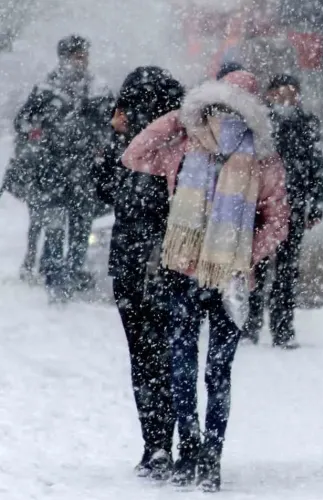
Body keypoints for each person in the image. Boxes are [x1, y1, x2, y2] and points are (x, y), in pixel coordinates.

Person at [122, 70, 289, 492]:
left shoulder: (205, 147)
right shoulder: (208, 148)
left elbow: (135, 153)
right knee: (211, 371)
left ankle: (198, 452)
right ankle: (205, 454)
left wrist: (240, 256)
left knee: (191, 367)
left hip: (205, 277)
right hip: (210, 277)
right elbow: (135, 154)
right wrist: (242, 255)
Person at [91, 66, 185, 479]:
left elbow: (101, 190)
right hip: (172, 262)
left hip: (133, 262)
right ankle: (180, 440)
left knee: (144, 358)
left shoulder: (132, 148)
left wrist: (113, 135)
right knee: (172, 354)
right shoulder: (182, 141)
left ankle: (156, 442)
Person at [14, 34, 114, 300]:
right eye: (76, 56)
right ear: (64, 58)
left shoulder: (98, 89)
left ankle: (72, 272)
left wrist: (98, 143)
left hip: (83, 172)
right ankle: (55, 275)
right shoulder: (46, 89)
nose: (81, 61)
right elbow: (22, 122)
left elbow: (110, 126)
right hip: (53, 171)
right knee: (55, 226)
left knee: (81, 228)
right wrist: (40, 134)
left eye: (83, 56)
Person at [242, 73, 323, 347]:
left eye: (292, 93)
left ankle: (283, 328)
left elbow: (316, 165)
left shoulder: (306, 124)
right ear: (270, 94)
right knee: (257, 267)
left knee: (287, 271)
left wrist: (315, 203)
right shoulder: (259, 124)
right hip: (261, 207)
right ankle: (251, 324)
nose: (287, 99)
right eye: (281, 93)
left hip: (293, 206)